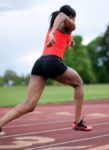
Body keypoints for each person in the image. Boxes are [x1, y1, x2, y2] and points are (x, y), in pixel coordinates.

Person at [0, 5, 92, 135]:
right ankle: (77, 123)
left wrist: (68, 41)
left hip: (40, 63)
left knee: (29, 105)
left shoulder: (57, 28)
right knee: (79, 83)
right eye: (74, 19)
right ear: (71, 17)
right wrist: (53, 33)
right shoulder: (68, 24)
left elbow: (62, 34)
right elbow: (62, 16)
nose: (74, 22)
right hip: (52, 62)